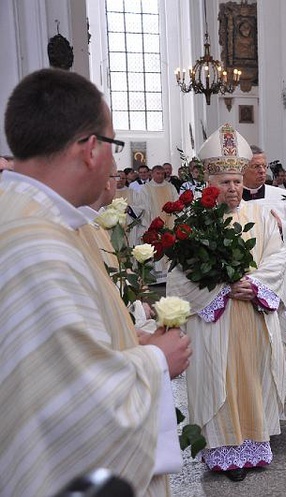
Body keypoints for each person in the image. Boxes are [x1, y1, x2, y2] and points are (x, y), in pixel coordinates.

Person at [0, 68, 191, 497]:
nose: (113, 161)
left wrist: (123, 340)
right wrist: (158, 360)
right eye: (113, 146)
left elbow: (48, 356)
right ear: (91, 149)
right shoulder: (38, 244)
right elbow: (73, 403)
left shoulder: (24, 215)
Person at [167, 123, 286, 481]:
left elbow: (276, 257)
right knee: (218, 378)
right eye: (225, 182)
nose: (233, 188)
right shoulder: (192, 224)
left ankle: (253, 441)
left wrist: (251, 284)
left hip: (251, 311)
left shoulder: (262, 216)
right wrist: (221, 289)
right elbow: (178, 277)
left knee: (252, 376)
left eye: (237, 181)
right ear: (210, 185)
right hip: (214, 320)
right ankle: (225, 448)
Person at [241, 144, 286, 391]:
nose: (261, 171)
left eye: (263, 166)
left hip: (276, 273)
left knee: (279, 324)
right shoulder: (230, 196)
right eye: (255, 166)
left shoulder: (282, 197)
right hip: (245, 274)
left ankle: (279, 382)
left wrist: (283, 229)